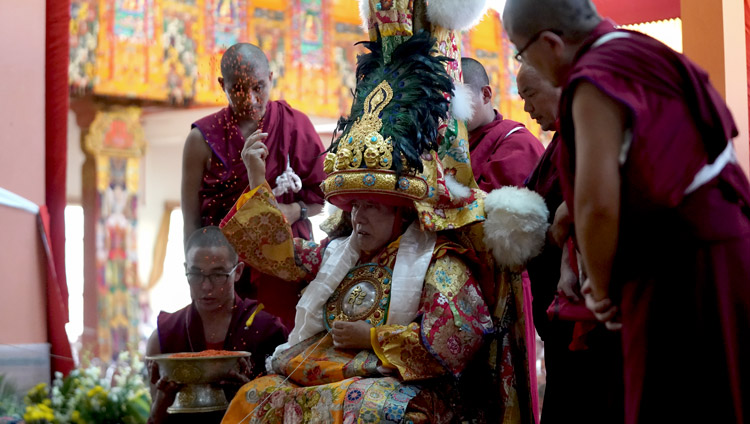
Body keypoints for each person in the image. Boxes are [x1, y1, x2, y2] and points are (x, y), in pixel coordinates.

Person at [218, 26, 547, 423]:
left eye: (373, 207)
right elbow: (282, 256)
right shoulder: (340, 252)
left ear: (403, 212)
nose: (358, 217)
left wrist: (372, 338)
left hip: (400, 384)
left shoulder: (439, 261)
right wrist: (257, 177)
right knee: (254, 397)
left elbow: (459, 336)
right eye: (355, 206)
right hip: (325, 371)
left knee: (370, 410)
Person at [503, 1, 750, 423]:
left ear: (551, 43)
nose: (526, 66)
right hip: (726, 241)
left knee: (675, 398)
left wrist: (599, 290)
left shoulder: (593, 80)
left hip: (679, 262)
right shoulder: (642, 49)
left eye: (523, 55)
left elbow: (599, 205)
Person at [181, 42, 326, 328]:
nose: (250, 99)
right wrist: (197, 280)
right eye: (238, 89)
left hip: (283, 263)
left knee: (281, 342)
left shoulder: (295, 126)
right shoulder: (201, 140)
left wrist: (296, 210)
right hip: (224, 269)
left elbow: (321, 198)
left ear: (271, 78)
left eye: (259, 87)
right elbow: (191, 221)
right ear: (222, 84)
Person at [520, 64, 623, 423]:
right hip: (561, 306)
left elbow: (591, 208)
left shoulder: (591, 133)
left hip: (589, 301)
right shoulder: (561, 141)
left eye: (530, 94)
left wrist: (558, 233)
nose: (526, 108)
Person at [146, 226, 288, 424]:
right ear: (186, 270)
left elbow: (287, 413)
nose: (206, 286)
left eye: (218, 274)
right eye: (196, 274)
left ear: (237, 272)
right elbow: (154, 419)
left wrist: (247, 397)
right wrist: (163, 402)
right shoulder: (165, 335)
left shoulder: (267, 330)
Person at [461, 57, 545, 191]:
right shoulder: (447, 143)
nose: (450, 110)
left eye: (458, 99)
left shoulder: (519, 143)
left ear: (485, 95)